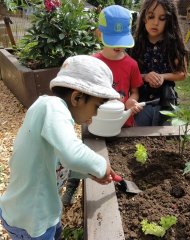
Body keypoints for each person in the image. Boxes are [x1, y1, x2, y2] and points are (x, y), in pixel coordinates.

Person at [0, 55, 120, 240]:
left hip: (45, 212)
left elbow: (60, 165)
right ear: (77, 97)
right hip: (31, 221)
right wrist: (101, 165)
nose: (94, 115)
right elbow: (71, 154)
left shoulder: (57, 118)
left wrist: (89, 173)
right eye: (96, 106)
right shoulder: (51, 106)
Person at [61, 5, 143, 206]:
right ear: (99, 34)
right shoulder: (92, 62)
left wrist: (132, 100)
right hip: (95, 122)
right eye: (112, 41)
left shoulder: (131, 65)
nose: (118, 47)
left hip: (121, 122)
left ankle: (119, 189)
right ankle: (73, 184)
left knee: (120, 156)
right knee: (86, 156)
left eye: (122, 42)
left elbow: (135, 91)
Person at [128, 0, 189, 126]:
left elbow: (182, 73)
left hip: (166, 104)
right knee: (137, 137)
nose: (155, 22)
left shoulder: (174, 44)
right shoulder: (135, 44)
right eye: (151, 16)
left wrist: (163, 76)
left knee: (164, 140)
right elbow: (128, 74)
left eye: (162, 18)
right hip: (140, 103)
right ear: (144, 17)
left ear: (169, 20)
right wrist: (145, 77)